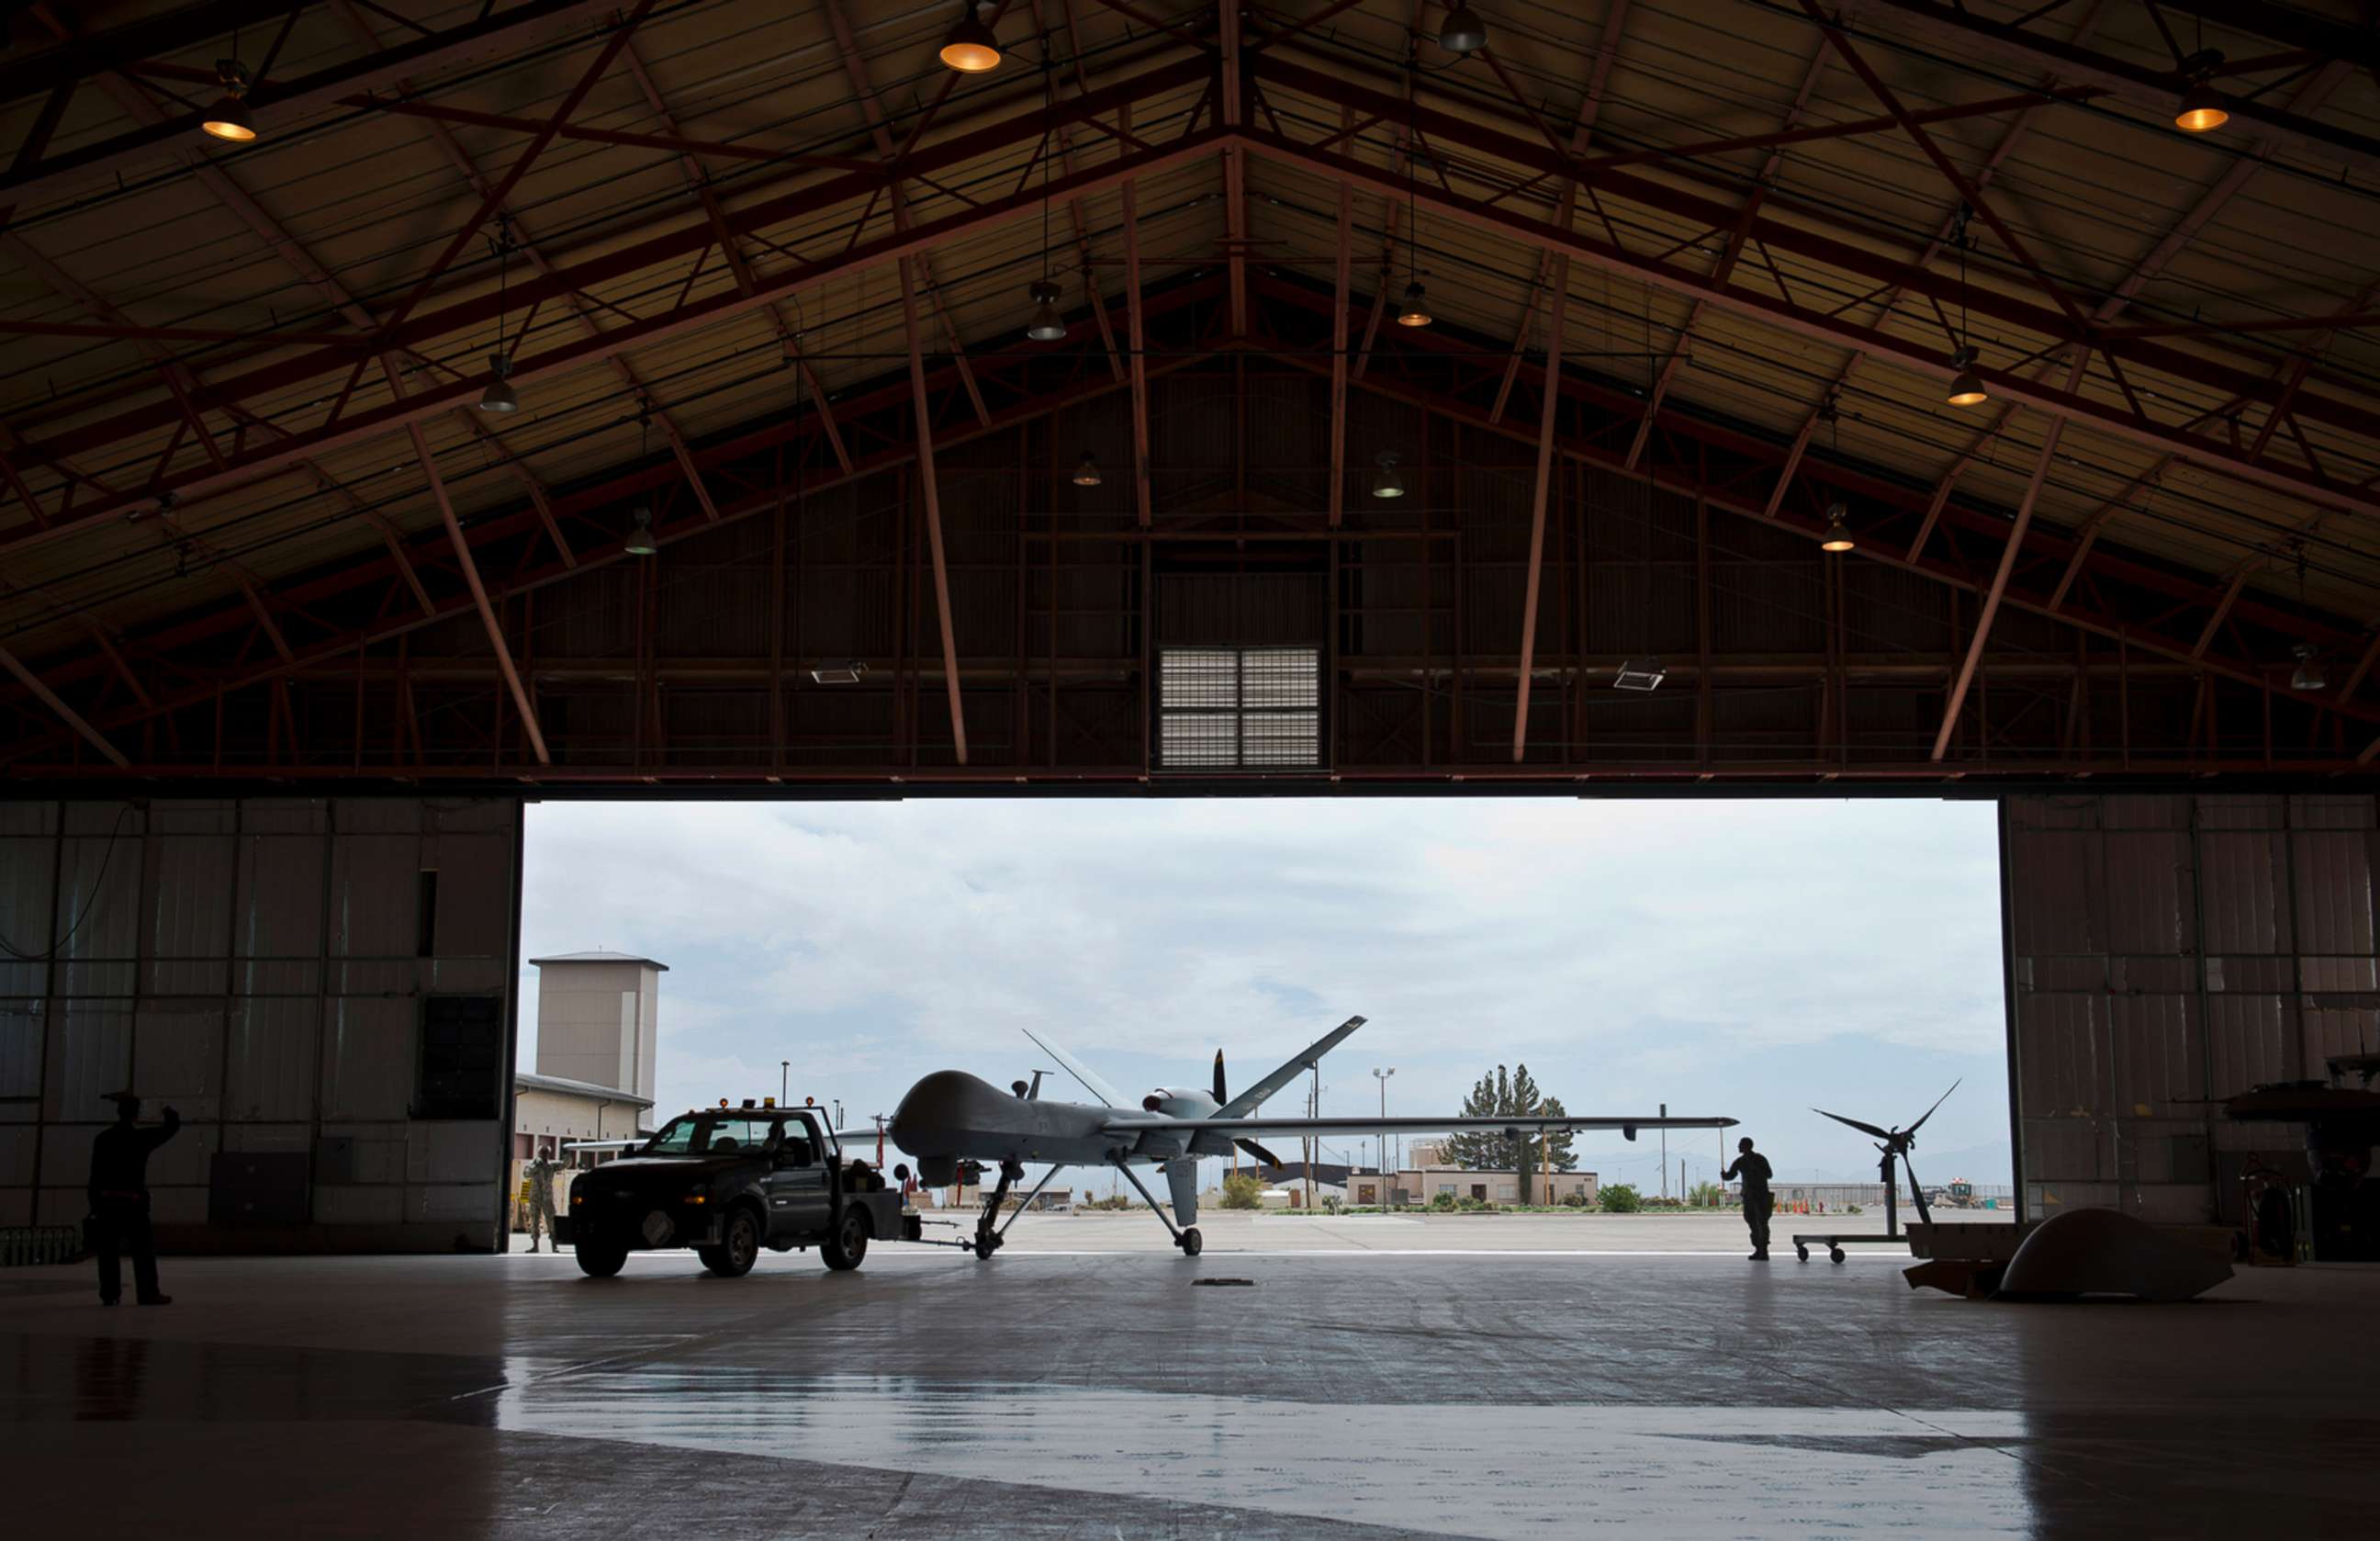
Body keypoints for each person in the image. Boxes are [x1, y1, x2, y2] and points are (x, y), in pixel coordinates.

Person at [88, 1091, 179, 1306]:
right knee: (143, 1253)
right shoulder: (140, 1139)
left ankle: (110, 1293)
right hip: (134, 1204)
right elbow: (170, 1129)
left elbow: (95, 1175)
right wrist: (168, 1112)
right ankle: (147, 1293)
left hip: (108, 1204)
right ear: (136, 1115)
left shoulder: (103, 1139)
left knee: (108, 1253)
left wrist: (94, 1204)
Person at [1723, 1136, 1775, 1261]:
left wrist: (1755, 1167)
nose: (1738, 1147)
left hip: (1760, 1196)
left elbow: (1769, 1174)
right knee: (1752, 1222)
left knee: (1762, 1223)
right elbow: (1731, 1175)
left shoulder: (1759, 1159)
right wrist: (1724, 1175)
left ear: (1746, 1146)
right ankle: (1758, 1249)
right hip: (1749, 1197)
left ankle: (1764, 1250)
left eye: (1740, 1145)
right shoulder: (1740, 1161)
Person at [523, 1148, 562, 1252]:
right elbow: (526, 1174)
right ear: (539, 1153)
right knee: (534, 1220)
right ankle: (535, 1246)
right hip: (535, 1197)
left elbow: (565, 1164)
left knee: (551, 1221)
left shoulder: (552, 1165)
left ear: (549, 1153)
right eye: (542, 1152)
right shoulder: (534, 1164)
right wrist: (535, 1166)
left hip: (547, 1197)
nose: (544, 1154)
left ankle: (554, 1245)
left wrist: (567, 1154)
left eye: (546, 1153)